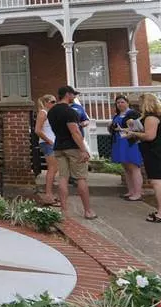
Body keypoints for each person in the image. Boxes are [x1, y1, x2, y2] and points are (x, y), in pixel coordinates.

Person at [47, 85, 97, 219]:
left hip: (58, 147)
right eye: (73, 94)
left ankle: (64, 211)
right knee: (81, 178)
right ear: (67, 94)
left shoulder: (51, 111)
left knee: (63, 177)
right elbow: (74, 132)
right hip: (73, 148)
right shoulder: (70, 112)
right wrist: (83, 150)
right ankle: (88, 211)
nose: (74, 97)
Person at [124, 93, 161, 223]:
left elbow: (150, 136)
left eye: (140, 104)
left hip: (156, 152)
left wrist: (133, 133)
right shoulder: (158, 116)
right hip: (158, 151)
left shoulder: (151, 118)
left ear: (146, 104)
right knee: (158, 181)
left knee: (156, 181)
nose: (139, 107)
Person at [108, 94, 144, 201]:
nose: (120, 104)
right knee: (126, 168)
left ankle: (138, 193)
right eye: (118, 102)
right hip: (119, 142)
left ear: (127, 103)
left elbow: (139, 128)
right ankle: (130, 191)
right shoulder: (116, 115)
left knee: (134, 167)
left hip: (130, 142)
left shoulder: (133, 113)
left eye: (122, 102)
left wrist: (123, 129)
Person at [34, 94, 59, 206]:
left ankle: (50, 193)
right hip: (47, 143)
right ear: (47, 102)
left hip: (52, 142)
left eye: (55, 101)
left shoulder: (50, 114)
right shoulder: (42, 113)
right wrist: (49, 140)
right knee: (52, 168)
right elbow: (37, 130)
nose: (55, 104)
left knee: (54, 168)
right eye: (53, 102)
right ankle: (48, 195)